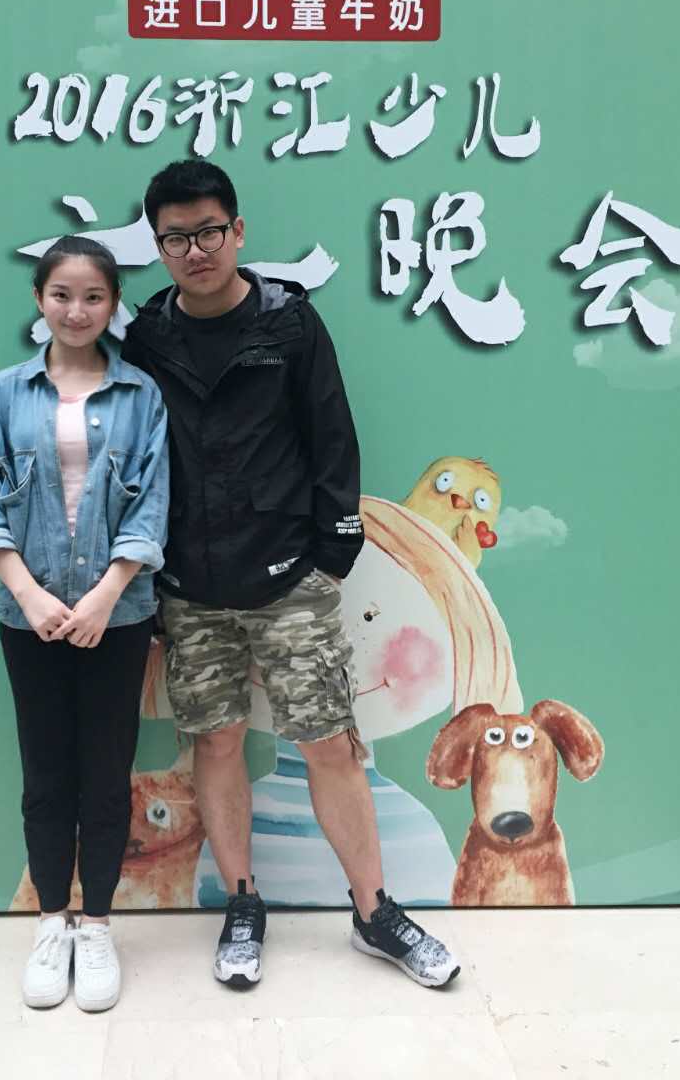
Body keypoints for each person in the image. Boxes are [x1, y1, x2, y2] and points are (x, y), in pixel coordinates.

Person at [123, 159, 459, 991]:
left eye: (209, 231)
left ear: (236, 231)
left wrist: (329, 557)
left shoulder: (289, 323)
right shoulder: (148, 336)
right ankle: (243, 905)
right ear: (157, 246)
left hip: (287, 578)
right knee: (216, 741)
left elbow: (332, 439)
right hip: (189, 585)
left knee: (327, 743)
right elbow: (135, 455)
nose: (195, 250)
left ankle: (374, 912)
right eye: (175, 238)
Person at [0, 236, 168, 1013]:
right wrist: (31, 595)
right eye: (61, 295)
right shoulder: (0, 396)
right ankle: (52, 922)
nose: (76, 311)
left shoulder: (141, 396)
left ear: (112, 304)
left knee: (107, 776)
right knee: (46, 776)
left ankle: (99, 926)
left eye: (92, 297)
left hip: (119, 616)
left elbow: (152, 506)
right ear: (39, 300)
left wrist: (106, 596)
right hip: (30, 619)